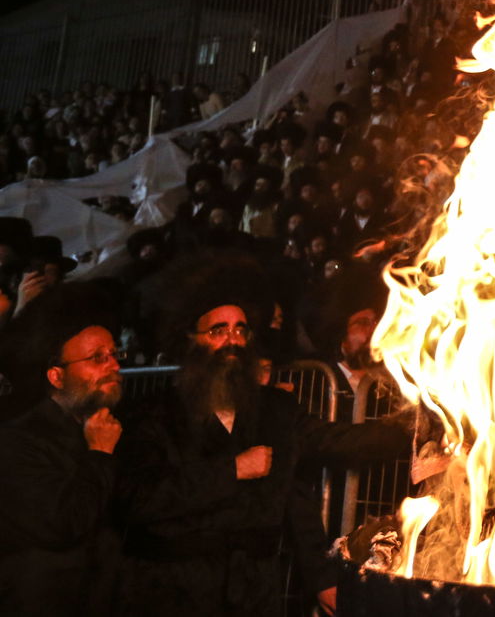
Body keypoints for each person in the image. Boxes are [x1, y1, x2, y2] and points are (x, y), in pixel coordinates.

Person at [114, 259, 339, 617]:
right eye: (218, 331)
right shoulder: (152, 414)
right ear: (191, 340)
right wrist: (230, 470)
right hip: (173, 593)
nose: (232, 341)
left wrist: (322, 578)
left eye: (240, 330)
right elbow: (138, 500)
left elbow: (296, 499)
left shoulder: (275, 410)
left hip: (254, 594)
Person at [0, 285, 124, 617]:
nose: (112, 365)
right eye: (97, 357)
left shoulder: (114, 427)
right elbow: (64, 524)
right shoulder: (18, 441)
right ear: (57, 375)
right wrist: (99, 454)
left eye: (114, 354)